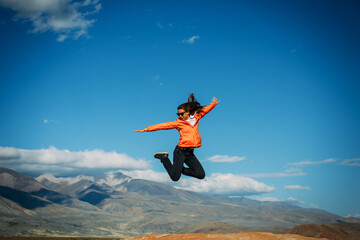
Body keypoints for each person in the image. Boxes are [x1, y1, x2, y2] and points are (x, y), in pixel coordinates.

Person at [134, 94, 220, 181]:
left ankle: (178, 169)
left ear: (188, 112)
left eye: (182, 114)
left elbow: (205, 110)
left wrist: (213, 104)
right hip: (180, 152)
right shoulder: (178, 122)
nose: (180, 116)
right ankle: (163, 158)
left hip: (190, 153)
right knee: (175, 177)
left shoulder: (196, 117)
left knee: (200, 174)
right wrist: (147, 129)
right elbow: (164, 125)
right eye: (178, 114)